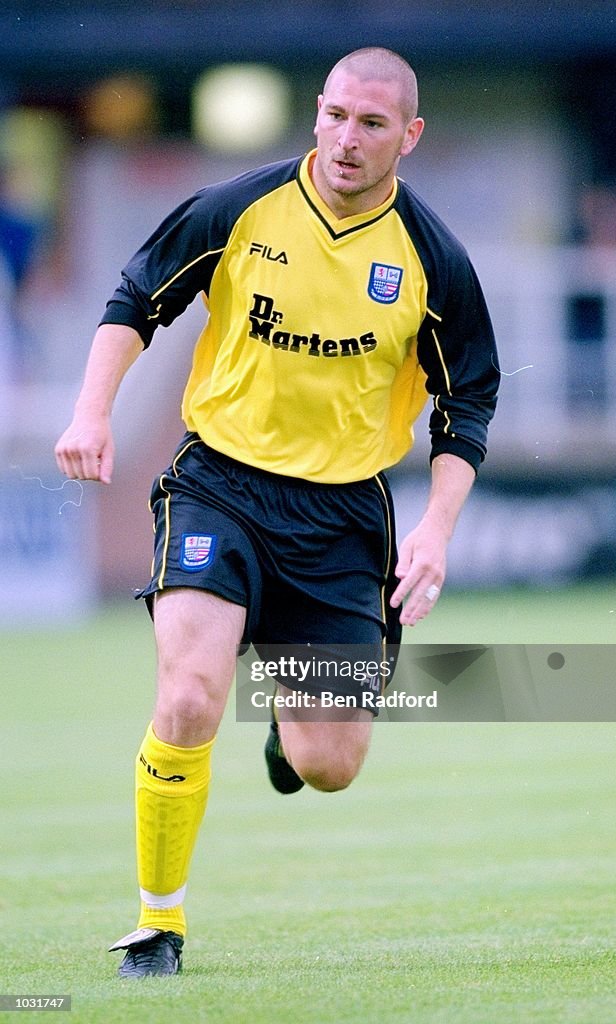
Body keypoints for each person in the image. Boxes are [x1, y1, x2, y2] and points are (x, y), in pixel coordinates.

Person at [55, 47, 499, 978]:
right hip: (220, 483)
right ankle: (158, 926)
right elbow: (136, 297)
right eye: (335, 115)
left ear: (407, 137)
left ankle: (288, 732)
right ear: (317, 114)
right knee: (186, 696)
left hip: (342, 518)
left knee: (332, 765)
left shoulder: (433, 260)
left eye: (372, 124)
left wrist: (435, 529)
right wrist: (91, 409)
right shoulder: (239, 209)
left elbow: (469, 407)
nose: (347, 138)